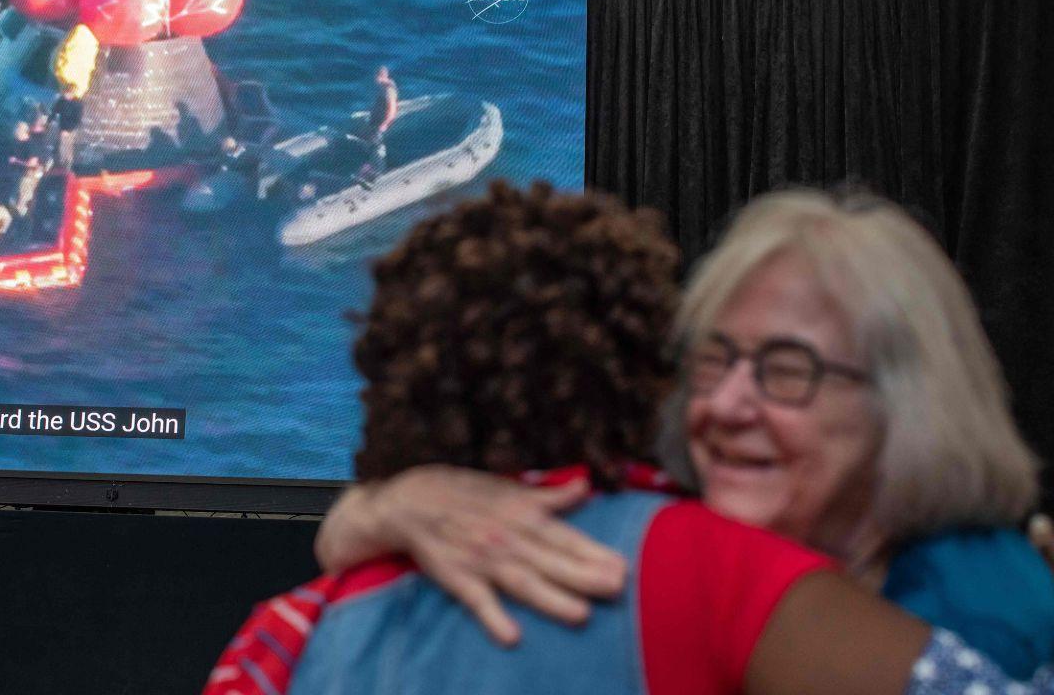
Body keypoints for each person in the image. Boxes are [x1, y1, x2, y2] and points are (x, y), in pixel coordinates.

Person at [204, 182, 1053, 695]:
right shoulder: (690, 556)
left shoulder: (986, 606)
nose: (725, 403)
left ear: (904, 407)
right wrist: (384, 506)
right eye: (712, 360)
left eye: (787, 370)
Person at [357, 65, 398, 183]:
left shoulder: (389, 90)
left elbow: (392, 110)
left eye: (376, 77)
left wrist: (383, 125)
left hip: (381, 122)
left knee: (377, 147)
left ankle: (377, 173)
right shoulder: (384, 86)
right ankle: (368, 168)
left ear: (380, 77)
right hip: (376, 120)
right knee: (370, 144)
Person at [49, 85, 84, 170]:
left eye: (68, 93)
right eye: (65, 93)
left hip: (70, 129)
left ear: (72, 93)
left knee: (66, 148)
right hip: (62, 127)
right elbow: (54, 111)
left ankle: (67, 167)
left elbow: (77, 120)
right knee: (60, 147)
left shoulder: (77, 104)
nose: (66, 95)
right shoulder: (62, 101)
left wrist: (68, 131)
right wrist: (49, 121)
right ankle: (59, 165)